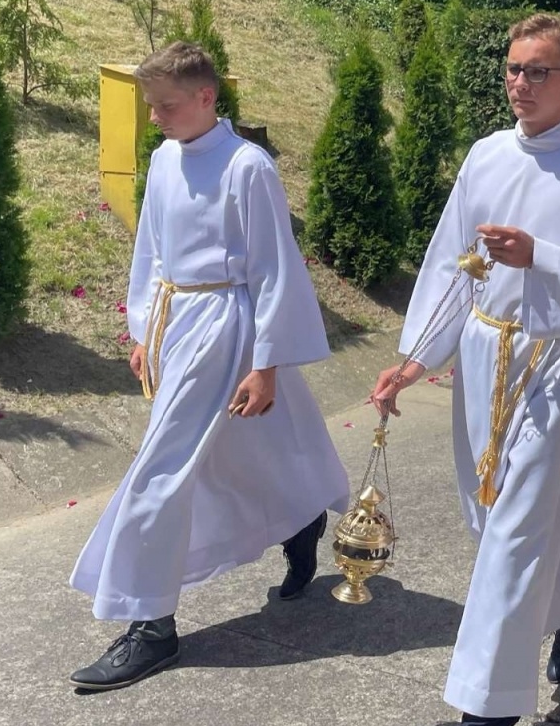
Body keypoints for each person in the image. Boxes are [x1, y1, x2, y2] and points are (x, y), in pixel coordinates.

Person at [370, 13, 560, 726]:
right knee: (494, 520)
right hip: (481, 354)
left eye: (536, 70)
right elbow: (448, 265)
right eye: (512, 67)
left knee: (516, 531)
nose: (519, 82)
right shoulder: (486, 156)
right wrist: (414, 358)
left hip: (551, 362)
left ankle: (484, 720)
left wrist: (543, 257)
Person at [69, 42, 350, 692]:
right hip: (177, 323)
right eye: (151, 106)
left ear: (206, 96)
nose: (157, 117)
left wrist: (267, 363)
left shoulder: (248, 167)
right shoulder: (166, 157)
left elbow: (275, 268)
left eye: (167, 105)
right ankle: (303, 512)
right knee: (247, 447)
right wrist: (145, 326)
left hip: (227, 325)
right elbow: (153, 248)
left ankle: (151, 624)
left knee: (159, 472)